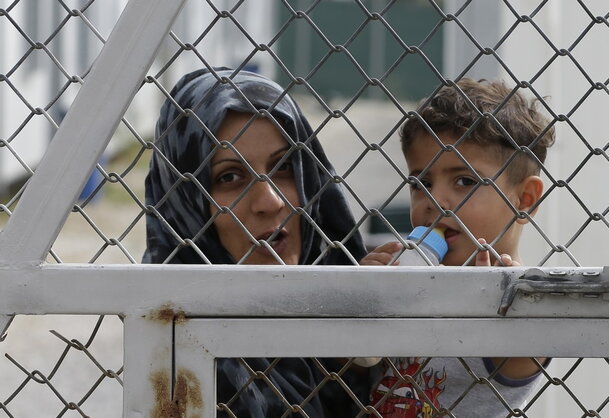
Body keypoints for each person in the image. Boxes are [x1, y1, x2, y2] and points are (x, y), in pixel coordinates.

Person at [144, 67, 368, 417]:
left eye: (284, 167)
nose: (270, 202)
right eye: (230, 177)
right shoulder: (176, 364)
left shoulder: (361, 326)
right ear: (186, 203)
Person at [360, 78, 555, 416]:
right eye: (422, 183)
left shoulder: (523, 297)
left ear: (524, 199)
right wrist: (364, 296)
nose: (436, 201)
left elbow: (528, 350)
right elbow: (355, 362)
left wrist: (490, 298)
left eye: (464, 181)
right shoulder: (408, 279)